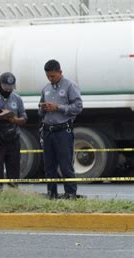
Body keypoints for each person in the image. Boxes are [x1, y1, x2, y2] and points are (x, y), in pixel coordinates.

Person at [39, 59, 83, 199]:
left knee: (65, 165)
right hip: (48, 131)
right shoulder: (46, 89)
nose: (50, 79)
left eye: (53, 76)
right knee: (49, 166)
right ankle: (51, 193)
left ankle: (70, 193)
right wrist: (42, 108)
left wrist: (58, 107)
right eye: (48, 76)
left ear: (60, 72)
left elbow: (78, 107)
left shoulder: (70, 86)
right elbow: (40, 110)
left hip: (63, 131)